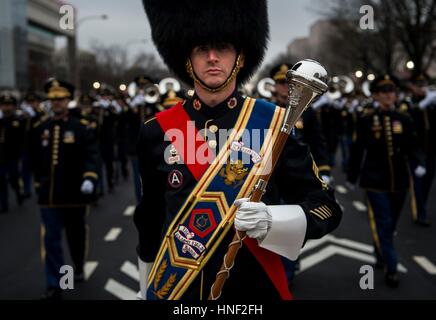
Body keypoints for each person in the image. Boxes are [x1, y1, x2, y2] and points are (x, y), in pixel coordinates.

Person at [134, 0, 342, 300]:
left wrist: (274, 221)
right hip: (180, 291)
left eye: (223, 47)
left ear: (241, 57)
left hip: (254, 288)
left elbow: (325, 206)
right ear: (187, 60)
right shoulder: (157, 130)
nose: (213, 57)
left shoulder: (274, 123)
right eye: (200, 49)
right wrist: (145, 286)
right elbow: (150, 218)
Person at [347, 74, 425, 288]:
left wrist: (418, 162)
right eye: (384, 91)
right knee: (383, 222)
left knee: (389, 226)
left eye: (391, 90)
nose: (389, 94)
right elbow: (357, 150)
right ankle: (392, 268)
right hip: (374, 182)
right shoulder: (365, 119)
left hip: (399, 181)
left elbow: (413, 146)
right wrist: (352, 176)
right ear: (376, 95)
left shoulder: (405, 119)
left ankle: (381, 252)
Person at [29, 79, 99, 300]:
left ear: (68, 100)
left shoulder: (80, 127)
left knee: (75, 238)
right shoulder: (40, 127)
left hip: (74, 195)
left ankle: (77, 266)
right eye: (53, 99)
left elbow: (91, 155)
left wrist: (89, 177)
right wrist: (38, 181)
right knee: (51, 241)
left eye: (60, 99)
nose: (56, 103)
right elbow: (32, 157)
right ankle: (57, 283)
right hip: (49, 196)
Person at [0, 94, 25, 213]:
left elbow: (24, 138)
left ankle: (19, 192)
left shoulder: (19, 121)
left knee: (13, 179)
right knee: (1, 180)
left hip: (13, 156)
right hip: (1, 156)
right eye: (4, 105)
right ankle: (4, 204)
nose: (6, 108)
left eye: (9, 105)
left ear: (14, 107)